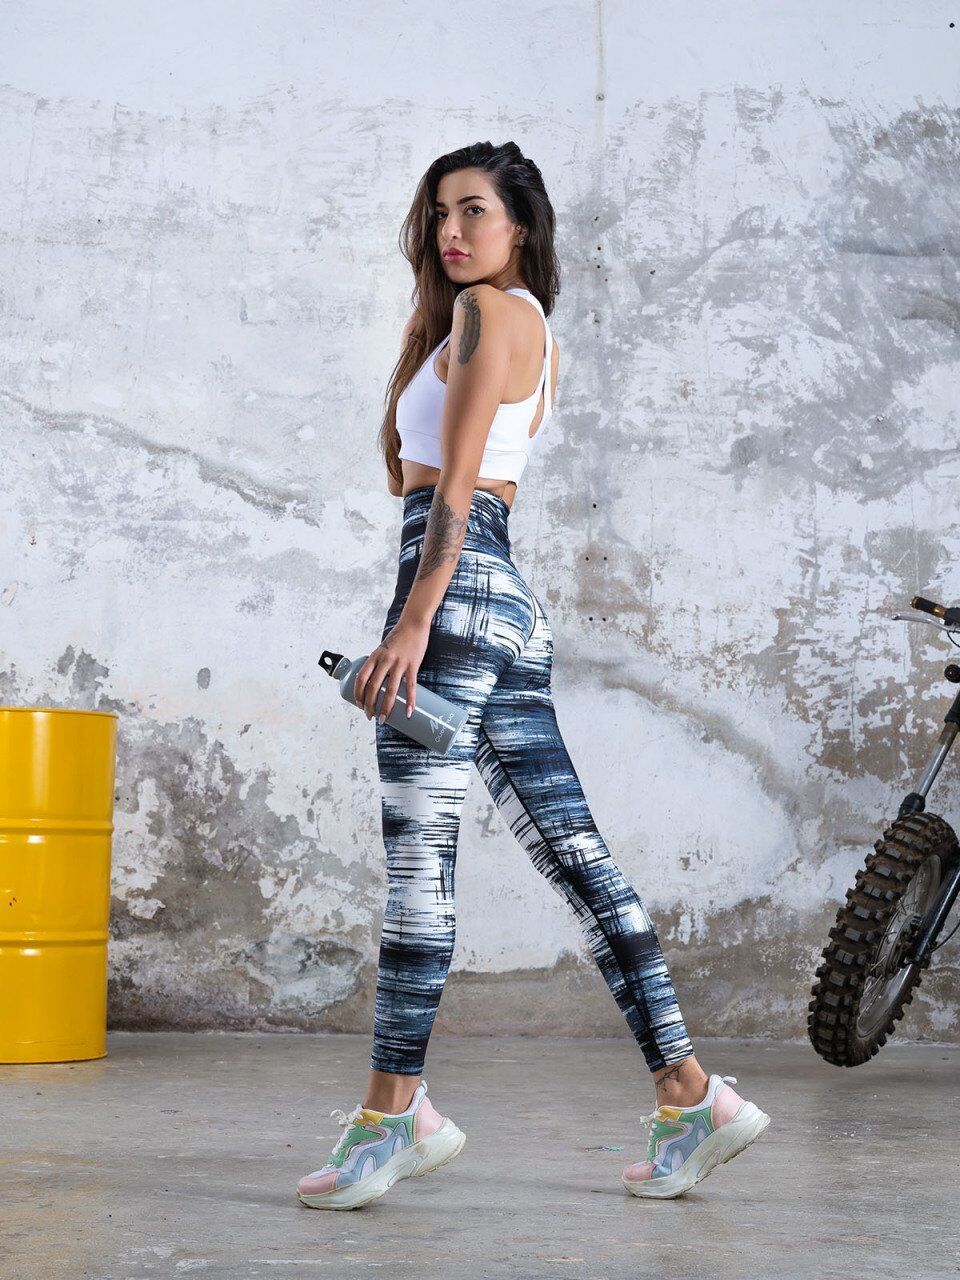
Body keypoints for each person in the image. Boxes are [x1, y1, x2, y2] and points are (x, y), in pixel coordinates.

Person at [297, 141, 770, 1210]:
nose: (451, 231)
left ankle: (392, 1116)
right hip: (505, 603)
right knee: (577, 858)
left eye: (475, 210)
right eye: (439, 214)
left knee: (420, 867)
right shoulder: (515, 328)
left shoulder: (484, 313)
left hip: (454, 595)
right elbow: (438, 471)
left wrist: (412, 621)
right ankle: (693, 1093)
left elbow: (453, 483)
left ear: (520, 226)